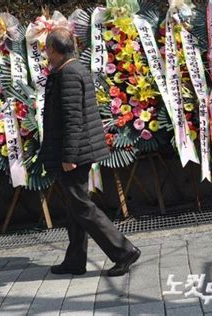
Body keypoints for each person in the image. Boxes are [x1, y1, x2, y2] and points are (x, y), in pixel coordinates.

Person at [39, 28, 141, 276]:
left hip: (75, 153)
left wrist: (70, 157)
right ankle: (75, 260)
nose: (46, 52)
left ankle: (123, 251)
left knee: (82, 207)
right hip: (76, 150)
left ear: (54, 49)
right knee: (75, 208)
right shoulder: (68, 70)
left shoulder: (69, 74)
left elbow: (73, 119)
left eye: (47, 48)